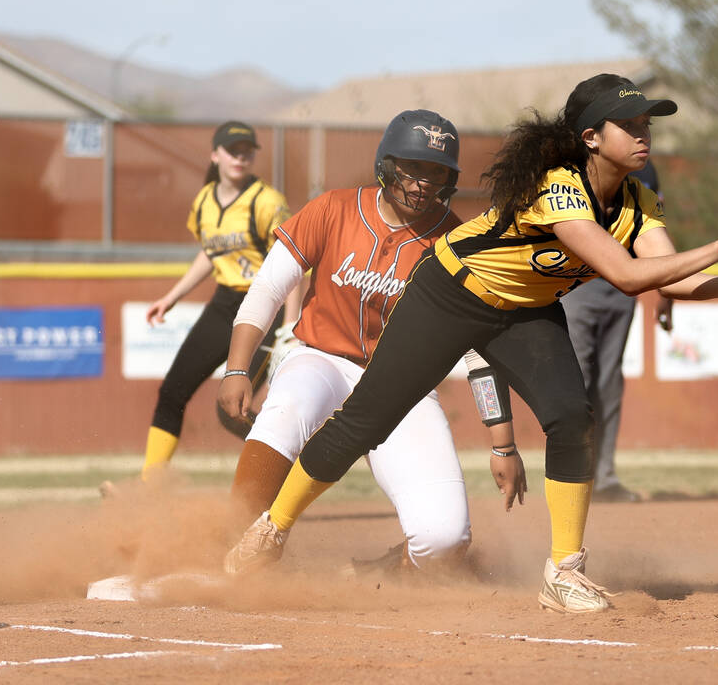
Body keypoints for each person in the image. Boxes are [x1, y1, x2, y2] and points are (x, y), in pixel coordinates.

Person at [224, 73, 718, 614]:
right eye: (627, 124)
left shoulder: (638, 200)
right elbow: (629, 276)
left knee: (570, 416)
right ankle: (271, 529)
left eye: (646, 123)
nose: (643, 134)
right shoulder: (558, 186)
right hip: (450, 293)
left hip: (526, 309)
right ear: (590, 137)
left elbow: (667, 276)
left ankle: (564, 572)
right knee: (367, 418)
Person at [217, 109, 526, 575]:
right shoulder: (334, 208)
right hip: (320, 358)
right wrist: (238, 368)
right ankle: (233, 549)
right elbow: (267, 289)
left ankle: (383, 575)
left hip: (403, 384)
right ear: (386, 163)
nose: (424, 181)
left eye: (437, 171)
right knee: (286, 412)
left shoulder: (455, 241)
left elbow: (477, 349)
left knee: (444, 539)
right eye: (413, 166)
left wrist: (502, 442)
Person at [133, 120, 298, 483]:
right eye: (232, 149)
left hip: (264, 306)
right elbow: (211, 252)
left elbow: (294, 260)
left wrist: (290, 324)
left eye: (246, 150)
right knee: (173, 391)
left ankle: (287, 468)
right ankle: (148, 489)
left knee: (233, 409)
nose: (240, 156)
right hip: (225, 304)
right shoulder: (205, 200)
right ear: (215, 155)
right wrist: (172, 297)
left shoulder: (266, 200)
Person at [561, 159, 673, 502]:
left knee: (608, 381)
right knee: (575, 380)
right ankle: (571, 476)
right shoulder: (582, 165)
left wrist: (667, 296)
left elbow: (655, 229)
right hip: (579, 283)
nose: (638, 134)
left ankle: (604, 477)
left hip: (624, 289)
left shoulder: (646, 171)